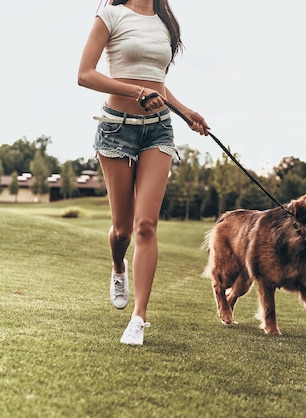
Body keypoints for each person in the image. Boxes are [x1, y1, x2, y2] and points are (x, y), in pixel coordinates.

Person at [78, 0, 210, 345]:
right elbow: (85, 74)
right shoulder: (110, 15)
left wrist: (185, 112)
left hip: (159, 130)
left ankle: (139, 318)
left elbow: (158, 84)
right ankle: (118, 267)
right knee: (122, 228)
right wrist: (137, 92)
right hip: (116, 128)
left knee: (146, 225)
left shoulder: (166, 22)